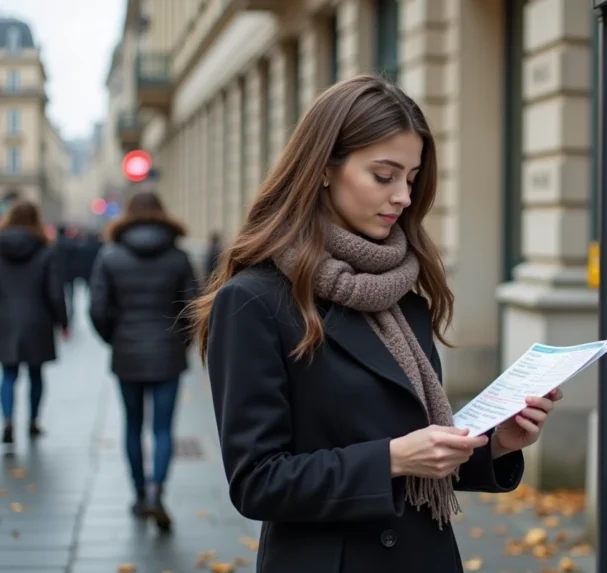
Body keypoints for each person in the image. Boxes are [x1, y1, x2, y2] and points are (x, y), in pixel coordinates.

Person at [187, 75, 564, 573]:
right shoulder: (254, 301)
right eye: (384, 176)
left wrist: (496, 444)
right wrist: (389, 459)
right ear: (323, 169)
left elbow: (422, 450)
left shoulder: (404, 297)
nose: (404, 197)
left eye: (410, 178)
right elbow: (257, 481)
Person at [89, 191, 197, 532]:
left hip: (128, 352)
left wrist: (115, 337)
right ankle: (157, 492)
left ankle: (138, 494)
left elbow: (97, 309)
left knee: (132, 426)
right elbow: (193, 306)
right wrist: (182, 341)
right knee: (163, 429)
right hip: (167, 352)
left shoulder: (110, 256)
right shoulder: (178, 257)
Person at [0, 200, 68, 444]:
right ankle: (33, 421)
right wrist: (64, 321)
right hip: (38, 318)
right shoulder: (46, 249)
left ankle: (8, 420)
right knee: (36, 374)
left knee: (8, 373)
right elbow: (54, 292)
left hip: (5, 319)